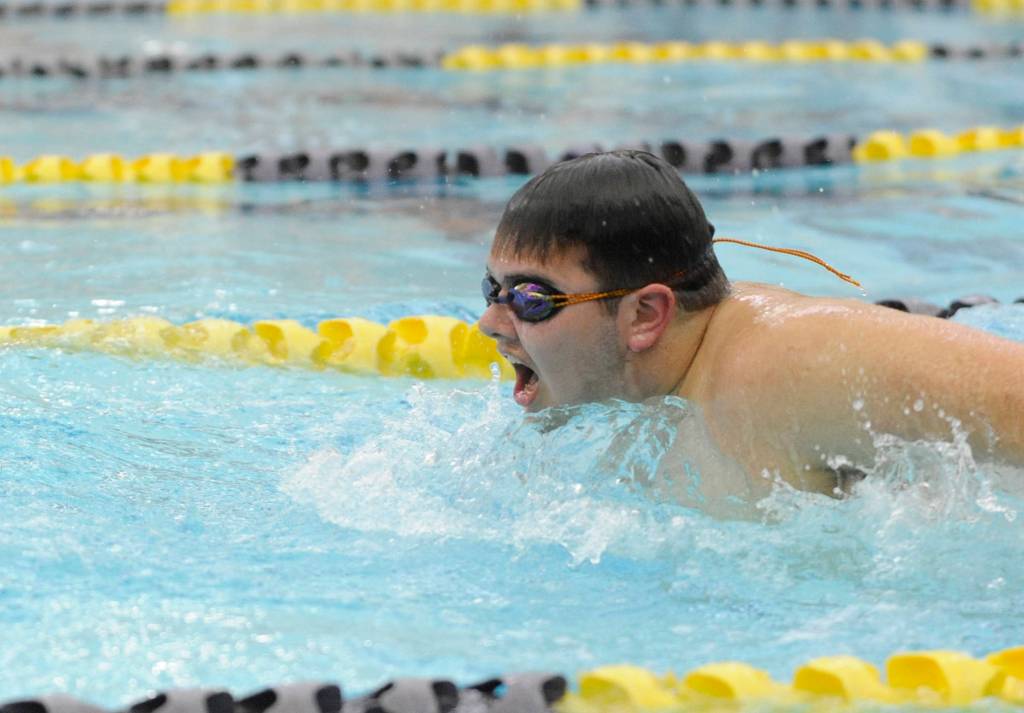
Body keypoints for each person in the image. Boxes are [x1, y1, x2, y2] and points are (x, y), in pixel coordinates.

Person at [478, 150, 1024, 498]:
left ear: (645, 315)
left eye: (531, 298)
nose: (489, 323)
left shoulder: (790, 358)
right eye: (492, 291)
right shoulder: (656, 396)